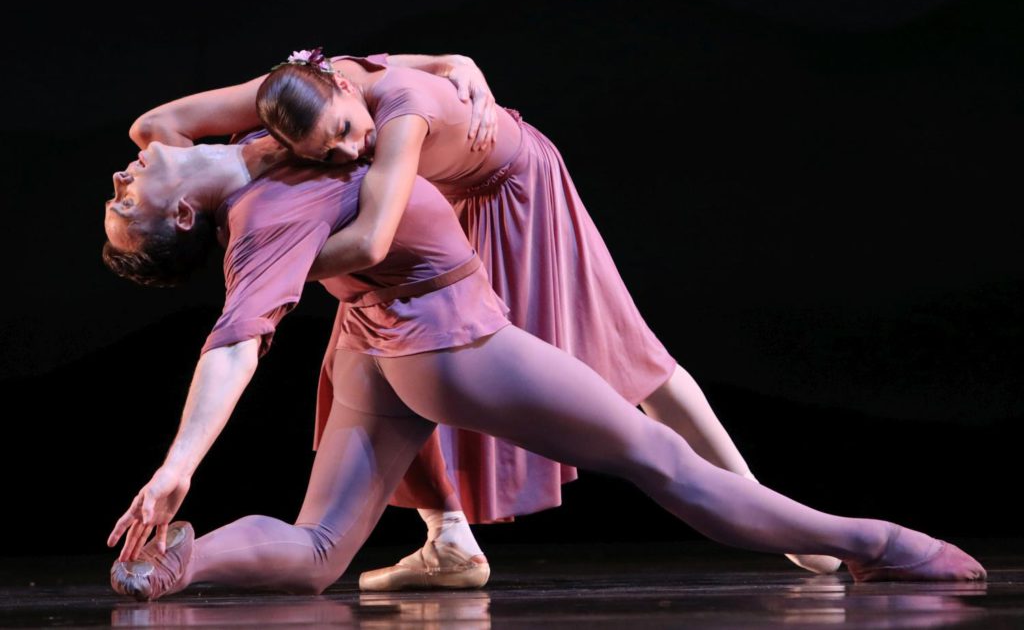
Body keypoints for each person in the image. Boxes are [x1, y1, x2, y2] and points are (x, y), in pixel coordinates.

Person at [102, 135, 984, 602]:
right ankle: (877, 543)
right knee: (662, 461)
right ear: (185, 215)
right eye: (124, 202)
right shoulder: (261, 219)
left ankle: (180, 566)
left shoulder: (244, 143)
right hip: (447, 344)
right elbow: (236, 344)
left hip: (378, 347)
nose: (119, 175)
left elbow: (166, 123)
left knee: (321, 550)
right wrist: (178, 465)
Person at [131, 49, 838, 588]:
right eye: (326, 150)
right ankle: (450, 538)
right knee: (377, 341)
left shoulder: (381, 110)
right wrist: (215, 191)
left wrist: (272, 263)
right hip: (435, 198)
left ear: (343, 92)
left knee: (629, 355)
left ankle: (763, 506)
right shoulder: (307, 108)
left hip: (511, 189)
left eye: (346, 134)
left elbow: (372, 236)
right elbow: (157, 131)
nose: (348, 149)